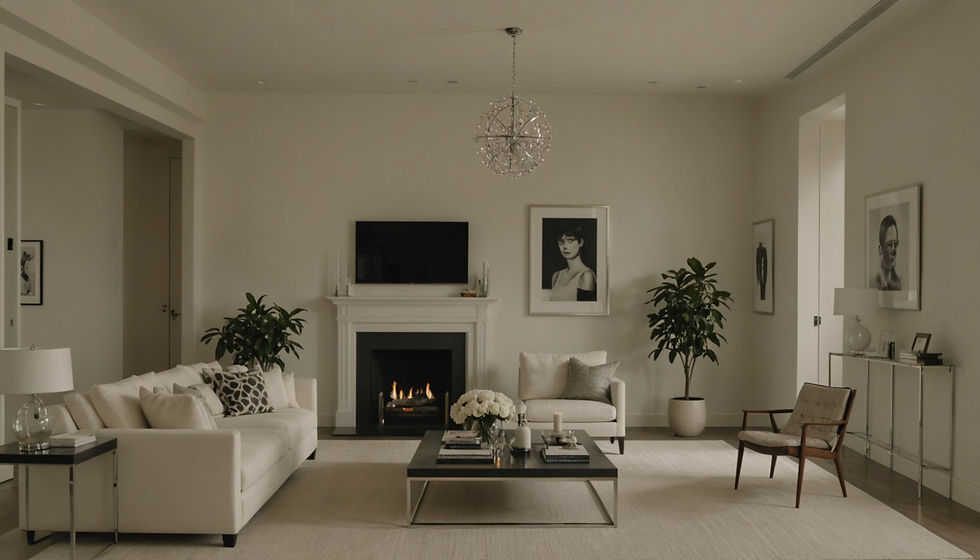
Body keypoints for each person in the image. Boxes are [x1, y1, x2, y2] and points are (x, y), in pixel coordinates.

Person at [550, 222, 597, 301]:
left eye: (570, 240)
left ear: (580, 242)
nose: (565, 247)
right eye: (561, 242)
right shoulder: (556, 275)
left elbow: (585, 310)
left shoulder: (586, 275)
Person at [873, 214, 901, 291]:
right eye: (889, 244)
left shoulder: (899, 283)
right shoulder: (873, 283)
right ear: (880, 249)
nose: (894, 250)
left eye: (896, 244)